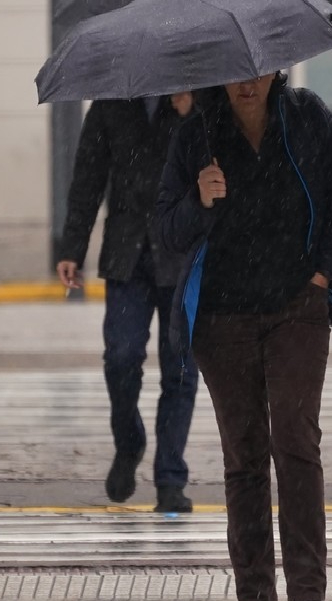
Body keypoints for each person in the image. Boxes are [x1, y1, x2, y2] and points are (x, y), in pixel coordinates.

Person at [156, 71, 332, 601]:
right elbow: (166, 230)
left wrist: (322, 274)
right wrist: (198, 200)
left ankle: (307, 589)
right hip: (222, 318)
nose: (247, 85)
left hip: (296, 306)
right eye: (235, 75)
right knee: (244, 457)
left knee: (295, 442)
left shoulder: (306, 116)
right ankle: (255, 591)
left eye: (257, 73)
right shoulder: (196, 134)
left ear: (275, 67)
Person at [56, 93, 199, 513]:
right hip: (127, 252)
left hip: (181, 249)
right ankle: (130, 441)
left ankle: (171, 476)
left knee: (181, 369)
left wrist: (190, 117)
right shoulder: (112, 101)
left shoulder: (204, 98)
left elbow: (221, 166)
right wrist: (72, 246)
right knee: (120, 357)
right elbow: (88, 176)